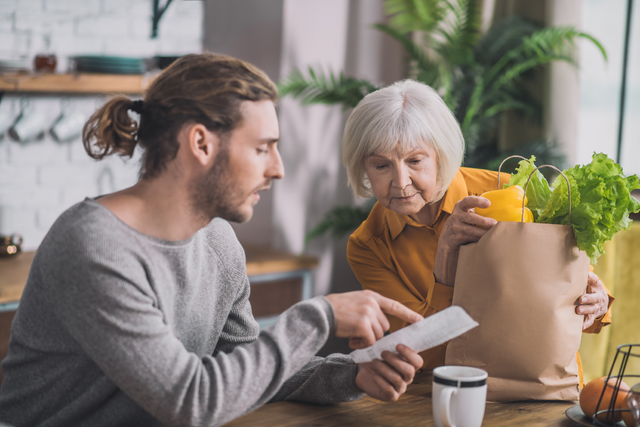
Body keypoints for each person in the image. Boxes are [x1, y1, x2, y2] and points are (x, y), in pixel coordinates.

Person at [0, 54, 425, 427]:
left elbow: (242, 366)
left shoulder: (218, 240)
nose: (278, 169)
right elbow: (191, 401)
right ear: (201, 143)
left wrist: (351, 373)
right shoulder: (94, 247)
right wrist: (320, 316)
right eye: (263, 149)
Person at [343, 79, 614, 375]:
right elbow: (418, 351)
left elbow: (572, 294)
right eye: (381, 166)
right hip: (445, 392)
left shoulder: (514, 193)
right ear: (363, 168)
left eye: (415, 161)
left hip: (543, 388)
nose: (401, 182)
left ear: (440, 155)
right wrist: (446, 256)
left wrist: (597, 303)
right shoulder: (367, 245)